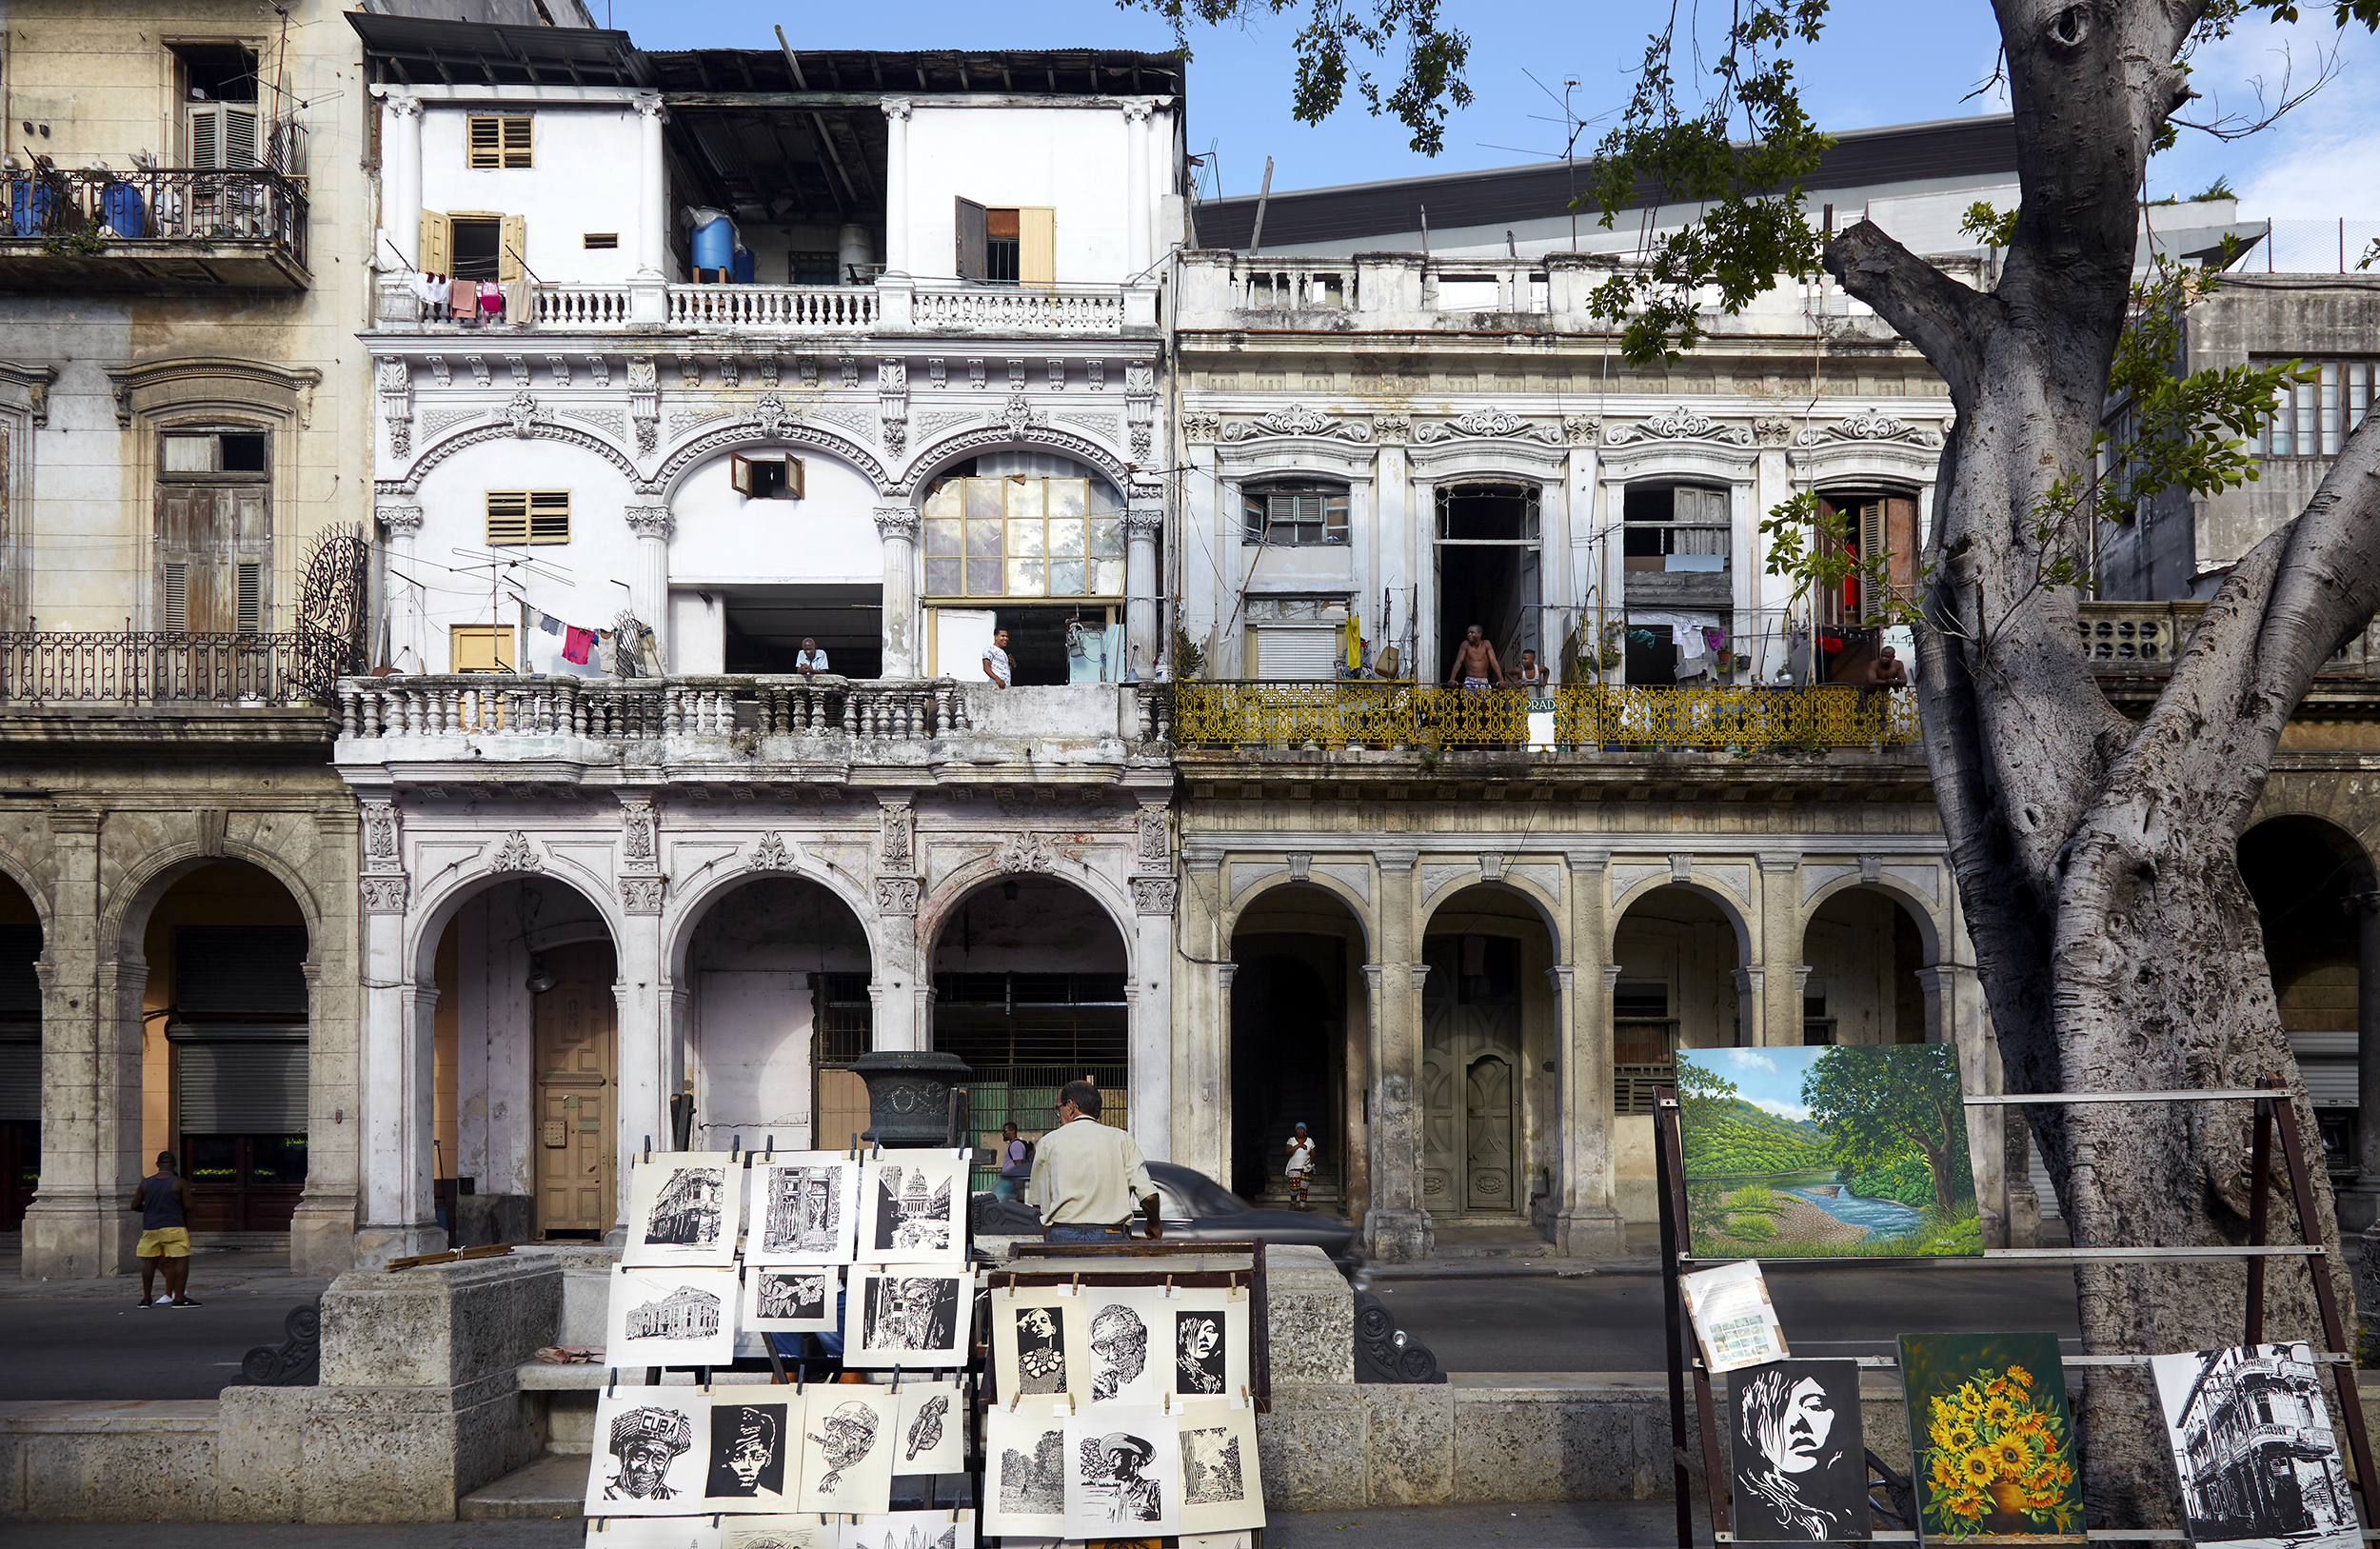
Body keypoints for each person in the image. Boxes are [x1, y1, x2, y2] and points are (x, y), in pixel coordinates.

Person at [1733, 1365, 1860, 1540]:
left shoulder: (1848, 1500)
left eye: (1814, 1406)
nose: (1798, 1426)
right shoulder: (1758, 1511)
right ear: (1753, 1423)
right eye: (1777, 1410)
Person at [1028, 1079, 1159, 1243]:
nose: (1059, 1118)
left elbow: (1040, 1205)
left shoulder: (1048, 1143)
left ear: (1070, 1106)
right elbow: (1149, 1197)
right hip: (1112, 1236)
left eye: (1058, 1109)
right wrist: (1154, 1224)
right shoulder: (1122, 1139)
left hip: (1062, 1236)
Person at [128, 1150, 198, 1307]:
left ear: (157, 1165)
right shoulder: (178, 1183)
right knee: (181, 1261)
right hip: (174, 1227)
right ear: (174, 1165)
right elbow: (189, 1206)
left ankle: (146, 1299)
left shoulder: (145, 1183)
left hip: (151, 1228)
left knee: (149, 1263)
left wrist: (150, 1210)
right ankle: (179, 1298)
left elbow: (134, 1205)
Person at [1446, 624, 1502, 694]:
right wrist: (1452, 679)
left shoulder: (1486, 644)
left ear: (1479, 634)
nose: (1469, 635)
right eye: (1468, 633)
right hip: (1470, 679)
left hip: (1484, 680)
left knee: (1485, 703)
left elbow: (1494, 662)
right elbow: (1458, 662)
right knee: (1470, 702)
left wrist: (1501, 679)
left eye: (1472, 632)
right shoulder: (1465, 644)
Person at [994, 1122, 1032, 1201]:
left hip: (1011, 1184)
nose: (1003, 1133)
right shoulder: (1013, 1145)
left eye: (1005, 1131)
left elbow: (1019, 1165)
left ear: (1013, 1131)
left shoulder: (1016, 1145)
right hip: (1010, 1182)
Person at [1283, 1122, 1316, 1211]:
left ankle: (1302, 1206)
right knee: (1294, 1187)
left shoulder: (1309, 1140)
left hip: (1306, 1168)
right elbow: (1288, 1150)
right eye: (1298, 1129)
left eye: (1302, 1129)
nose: (1300, 1131)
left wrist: (1311, 1161)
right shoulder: (1291, 1140)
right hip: (1294, 1166)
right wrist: (1299, 1145)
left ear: (1305, 1130)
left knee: (1304, 1187)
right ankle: (1293, 1202)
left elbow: (1313, 1152)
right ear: (1296, 1130)